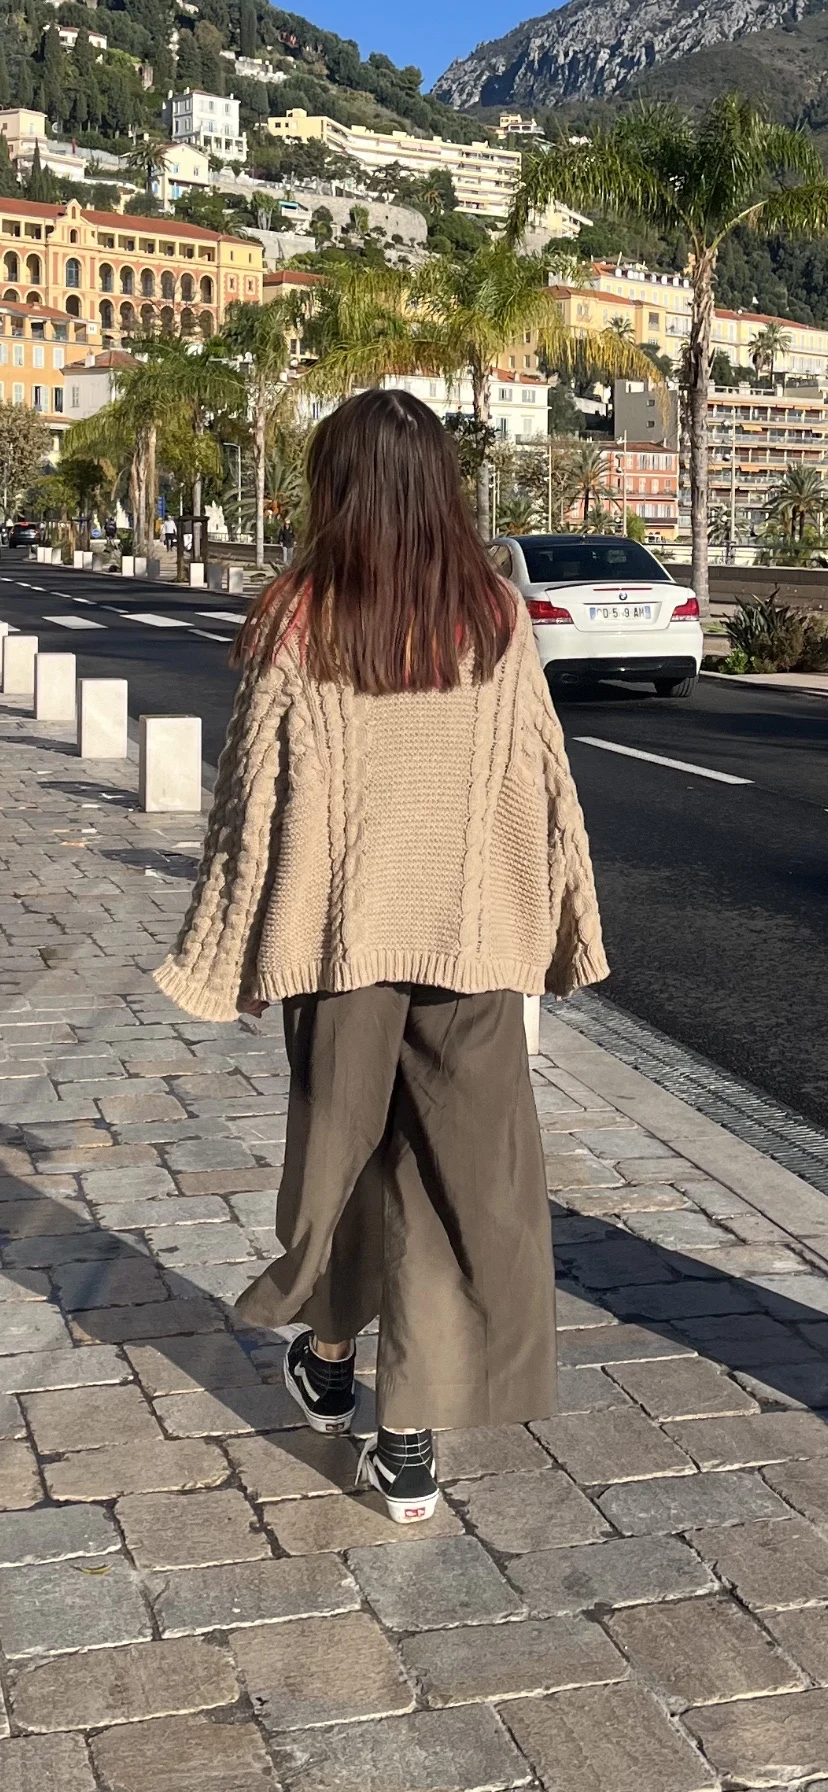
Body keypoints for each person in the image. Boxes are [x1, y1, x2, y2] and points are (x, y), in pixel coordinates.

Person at [155, 389, 608, 1524]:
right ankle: (403, 1441)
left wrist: (228, 946)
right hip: (473, 947)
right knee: (452, 1177)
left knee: (342, 1159)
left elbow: (251, 800)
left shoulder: (297, 617)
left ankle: (332, 1357)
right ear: (441, 488)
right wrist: (560, 928)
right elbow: (542, 784)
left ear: (337, 488)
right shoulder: (495, 617)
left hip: (337, 947)